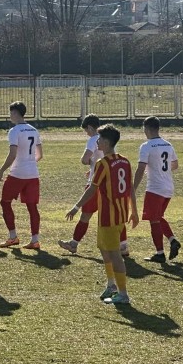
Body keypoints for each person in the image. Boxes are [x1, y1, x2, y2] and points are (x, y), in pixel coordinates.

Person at [67, 124, 139, 305]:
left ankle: (122, 293)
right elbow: (130, 187)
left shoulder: (103, 164)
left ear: (106, 143)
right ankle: (111, 285)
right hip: (121, 213)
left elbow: (92, 189)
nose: (96, 142)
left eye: (99, 140)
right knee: (104, 248)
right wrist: (134, 211)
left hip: (109, 216)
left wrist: (76, 207)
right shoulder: (124, 160)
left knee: (115, 254)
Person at [59, 114, 129, 256]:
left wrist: (75, 207)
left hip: (98, 182)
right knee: (117, 216)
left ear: (90, 127)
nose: (87, 134)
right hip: (112, 181)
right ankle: (123, 246)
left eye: (86, 131)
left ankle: (74, 243)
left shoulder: (93, 140)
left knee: (85, 216)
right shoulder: (112, 140)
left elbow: (85, 159)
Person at [132, 116, 180, 263]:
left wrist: (133, 189)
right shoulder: (168, 144)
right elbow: (175, 165)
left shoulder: (146, 146)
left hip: (155, 188)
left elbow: (140, 169)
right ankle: (172, 240)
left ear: (146, 129)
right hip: (168, 187)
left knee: (154, 220)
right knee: (158, 217)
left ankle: (159, 253)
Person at [0, 101, 43, 250]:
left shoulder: (14, 131)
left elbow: (13, 153)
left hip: (17, 173)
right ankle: (35, 240)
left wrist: (2, 169)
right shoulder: (34, 130)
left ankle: (12, 236)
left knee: (5, 202)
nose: (10, 116)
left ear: (15, 113)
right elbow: (40, 155)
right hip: (33, 173)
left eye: (11, 113)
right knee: (32, 207)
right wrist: (29, 162)